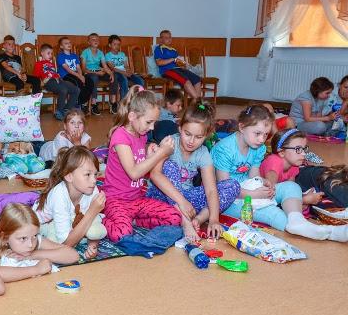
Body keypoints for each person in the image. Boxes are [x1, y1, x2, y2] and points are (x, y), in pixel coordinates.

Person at [212, 105, 348, 241]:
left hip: (250, 191)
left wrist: (264, 183)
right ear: (242, 127)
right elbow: (225, 189)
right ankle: (327, 232)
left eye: (266, 134)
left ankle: (297, 220)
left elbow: (254, 176)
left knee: (291, 186)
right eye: (257, 133)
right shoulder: (224, 149)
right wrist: (255, 194)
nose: (262, 139)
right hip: (227, 201)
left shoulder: (258, 147)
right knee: (274, 213)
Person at [147, 102, 240, 241]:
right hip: (161, 195)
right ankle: (185, 221)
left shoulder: (203, 153)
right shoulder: (169, 143)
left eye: (198, 137)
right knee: (169, 166)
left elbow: (211, 190)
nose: (191, 141)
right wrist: (181, 202)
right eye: (187, 134)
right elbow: (155, 175)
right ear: (180, 128)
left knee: (233, 185)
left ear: (206, 135)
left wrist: (214, 219)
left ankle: (199, 219)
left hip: (188, 201)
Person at [101, 88, 182, 242]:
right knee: (122, 234)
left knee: (175, 217)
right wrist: (160, 153)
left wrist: (149, 153)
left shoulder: (141, 135)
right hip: (116, 200)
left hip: (137, 200)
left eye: (154, 123)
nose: (152, 128)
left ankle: (133, 221)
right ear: (132, 116)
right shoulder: (120, 136)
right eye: (149, 122)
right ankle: (100, 220)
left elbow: (141, 164)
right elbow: (134, 173)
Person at [0, 203, 79, 282]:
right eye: (23, 238)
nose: (31, 244)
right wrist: (36, 269)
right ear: (4, 237)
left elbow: (73, 255)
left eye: (35, 236)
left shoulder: (30, 236)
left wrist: (32, 255)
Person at [33, 146, 107, 258]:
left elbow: (94, 223)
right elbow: (66, 244)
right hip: (41, 225)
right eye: (87, 174)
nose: (94, 180)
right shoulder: (59, 195)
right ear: (69, 176)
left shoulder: (91, 189)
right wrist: (92, 211)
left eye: (95, 174)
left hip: (70, 222)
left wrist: (93, 245)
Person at [260, 129, 324, 207]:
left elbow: (292, 189)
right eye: (298, 149)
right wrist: (304, 200)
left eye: (304, 149)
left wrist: (303, 196)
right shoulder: (273, 163)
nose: (304, 154)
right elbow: (270, 196)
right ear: (282, 152)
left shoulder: (294, 164)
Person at [34, 44, 80, 121]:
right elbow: (36, 77)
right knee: (63, 90)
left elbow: (54, 73)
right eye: (48, 53)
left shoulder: (51, 64)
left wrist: (58, 77)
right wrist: (43, 81)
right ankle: (59, 112)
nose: (50, 55)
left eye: (51, 53)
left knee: (76, 90)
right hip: (48, 82)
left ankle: (67, 109)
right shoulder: (38, 64)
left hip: (58, 80)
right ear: (42, 53)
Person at [154, 29, 202, 100]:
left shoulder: (174, 50)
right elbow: (159, 63)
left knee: (197, 79)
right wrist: (172, 59)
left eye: (170, 37)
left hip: (178, 69)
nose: (169, 39)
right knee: (186, 81)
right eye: (166, 38)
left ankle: (197, 103)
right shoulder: (158, 49)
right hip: (167, 71)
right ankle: (199, 103)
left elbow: (176, 62)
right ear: (161, 39)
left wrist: (183, 64)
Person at [57, 36, 96, 115]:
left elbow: (78, 67)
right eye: (66, 43)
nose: (69, 44)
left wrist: (81, 76)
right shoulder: (60, 56)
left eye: (69, 43)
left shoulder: (74, 55)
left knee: (90, 82)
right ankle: (78, 104)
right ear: (61, 46)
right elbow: (68, 69)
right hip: (66, 75)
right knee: (78, 83)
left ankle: (83, 103)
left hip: (76, 74)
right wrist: (79, 77)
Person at [81, 33, 116, 113]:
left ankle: (112, 102)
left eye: (97, 39)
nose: (96, 41)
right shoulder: (85, 52)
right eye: (93, 39)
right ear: (89, 42)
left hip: (98, 72)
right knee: (94, 78)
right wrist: (97, 73)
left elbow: (105, 66)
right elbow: (83, 69)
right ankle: (94, 103)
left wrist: (111, 73)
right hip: (89, 73)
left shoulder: (100, 53)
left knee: (114, 76)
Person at [105, 35, 146, 100]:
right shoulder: (107, 55)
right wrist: (124, 73)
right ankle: (124, 101)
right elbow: (113, 68)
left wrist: (129, 71)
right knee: (124, 80)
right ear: (110, 45)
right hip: (117, 73)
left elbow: (126, 65)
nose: (117, 46)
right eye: (114, 44)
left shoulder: (122, 54)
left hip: (125, 72)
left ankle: (136, 100)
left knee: (140, 81)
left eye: (118, 44)